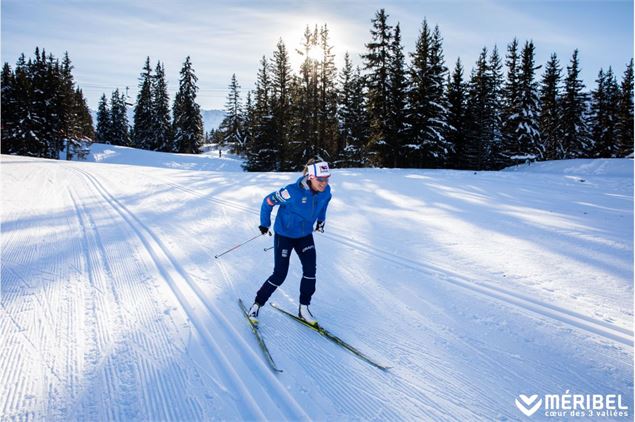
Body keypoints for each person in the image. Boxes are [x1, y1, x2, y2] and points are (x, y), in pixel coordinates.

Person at [248, 160, 332, 326]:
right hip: (284, 235)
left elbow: (324, 204)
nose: (324, 184)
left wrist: (321, 220)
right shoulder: (291, 192)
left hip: (304, 235)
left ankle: (304, 308)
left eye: (326, 179)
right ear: (310, 177)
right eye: (320, 180)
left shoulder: (326, 191)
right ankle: (256, 304)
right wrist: (265, 224)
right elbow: (268, 202)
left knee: (310, 271)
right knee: (280, 274)